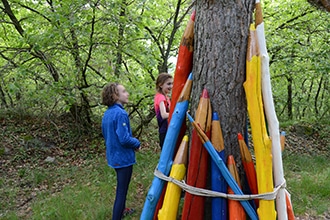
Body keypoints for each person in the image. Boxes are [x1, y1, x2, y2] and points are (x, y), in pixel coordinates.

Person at [101, 82, 140, 220]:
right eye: (123, 91)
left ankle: (122, 209)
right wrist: (137, 143)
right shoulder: (120, 113)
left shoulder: (107, 113)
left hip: (113, 157)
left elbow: (107, 135)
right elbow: (124, 139)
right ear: (114, 95)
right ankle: (117, 216)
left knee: (121, 187)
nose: (127, 93)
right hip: (122, 159)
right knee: (122, 190)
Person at [154, 73, 173, 149]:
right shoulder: (160, 97)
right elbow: (164, 115)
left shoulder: (167, 98)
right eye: (168, 84)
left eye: (172, 84)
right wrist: (177, 114)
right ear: (161, 85)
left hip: (169, 129)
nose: (171, 86)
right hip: (164, 131)